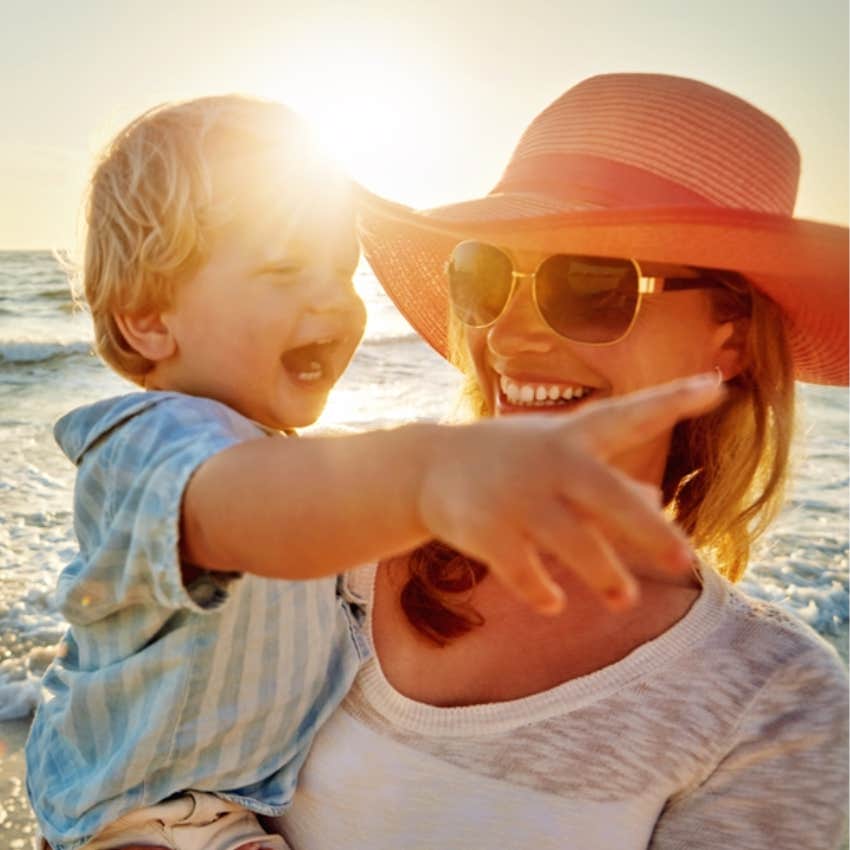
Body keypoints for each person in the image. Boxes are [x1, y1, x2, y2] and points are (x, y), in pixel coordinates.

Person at [24, 94, 714, 850]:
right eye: (284, 269)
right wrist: (429, 474)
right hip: (131, 821)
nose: (332, 301)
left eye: (343, 273)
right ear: (149, 318)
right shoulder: (148, 443)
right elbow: (255, 511)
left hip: (226, 819)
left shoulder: (268, 450)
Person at [269, 73, 850, 849]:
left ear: (732, 340)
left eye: (588, 286)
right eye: (486, 278)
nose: (508, 339)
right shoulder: (325, 515)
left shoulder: (778, 703)